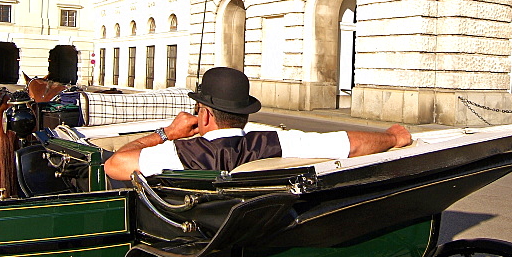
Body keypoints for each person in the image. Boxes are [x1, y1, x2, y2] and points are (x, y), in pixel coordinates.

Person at [104, 66, 412, 181]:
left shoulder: (176, 154)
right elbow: (353, 142)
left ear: (206, 115)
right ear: (244, 113)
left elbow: (114, 164)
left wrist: (167, 132)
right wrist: (393, 137)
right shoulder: (277, 142)